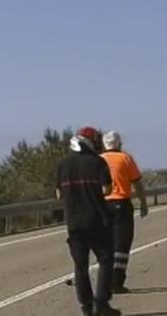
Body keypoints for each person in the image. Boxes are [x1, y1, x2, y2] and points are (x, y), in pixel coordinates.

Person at [56, 126, 121, 316]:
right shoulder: (98, 162)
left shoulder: (63, 164)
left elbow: (59, 194)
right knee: (106, 260)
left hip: (74, 223)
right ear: (91, 142)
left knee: (80, 266)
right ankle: (101, 303)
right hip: (97, 220)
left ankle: (86, 307)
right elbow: (106, 190)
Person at [100, 131, 148, 294]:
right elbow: (137, 183)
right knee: (122, 244)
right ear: (119, 144)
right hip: (121, 204)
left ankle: (104, 281)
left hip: (102, 205)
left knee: (106, 244)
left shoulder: (99, 160)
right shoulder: (126, 158)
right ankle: (117, 282)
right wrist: (143, 203)